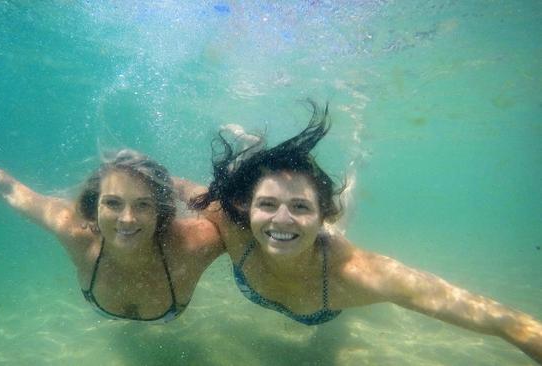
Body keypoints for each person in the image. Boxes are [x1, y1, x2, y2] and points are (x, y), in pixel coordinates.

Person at [177, 101, 542, 362]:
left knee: (343, 215)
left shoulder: (354, 273)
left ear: (320, 215)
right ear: (247, 208)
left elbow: (493, 318)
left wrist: (526, 334)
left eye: (301, 207)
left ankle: (354, 170)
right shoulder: (231, 222)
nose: (281, 220)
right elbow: (178, 185)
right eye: (267, 205)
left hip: (327, 244)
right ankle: (250, 149)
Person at [0, 109, 224, 323]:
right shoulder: (75, 233)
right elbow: (9, 190)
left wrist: (177, 186)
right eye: (113, 203)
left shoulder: (191, 244)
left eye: (143, 204)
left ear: (161, 211)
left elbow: (227, 211)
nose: (126, 219)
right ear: (94, 206)